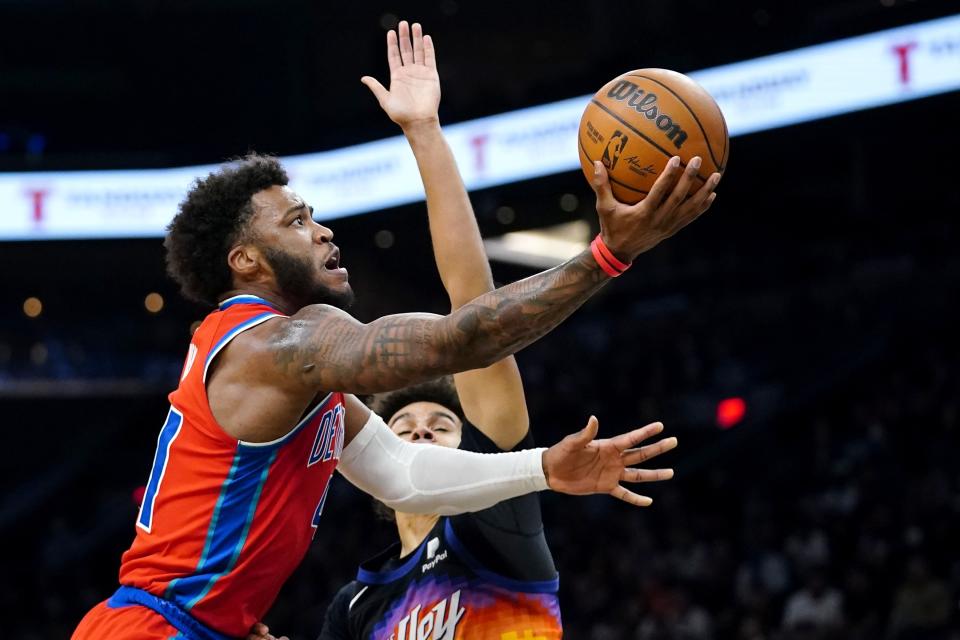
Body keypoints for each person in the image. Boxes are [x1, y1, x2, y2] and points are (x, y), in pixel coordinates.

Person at [72, 20, 720, 640]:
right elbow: (458, 339)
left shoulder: (287, 365)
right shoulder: (278, 344)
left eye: (313, 215)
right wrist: (607, 255)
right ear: (246, 260)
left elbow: (400, 474)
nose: (322, 230)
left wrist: (543, 468)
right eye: (296, 222)